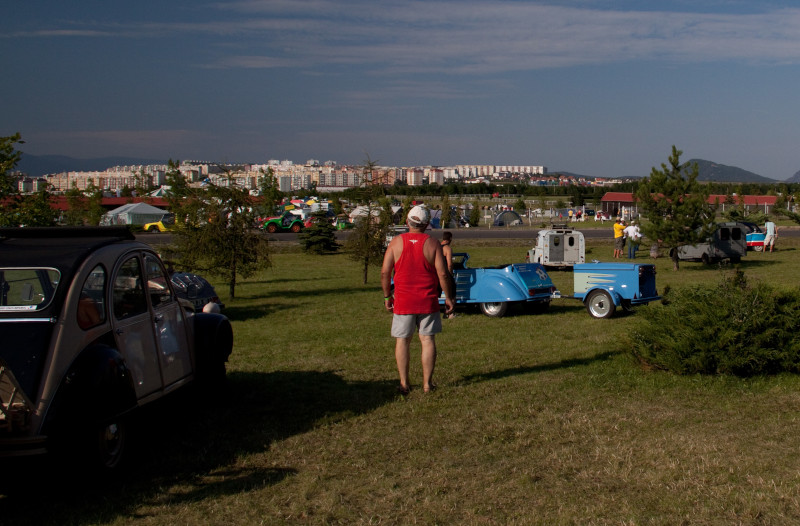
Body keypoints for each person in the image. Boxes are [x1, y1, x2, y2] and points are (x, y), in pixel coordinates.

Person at [381, 205, 455, 395]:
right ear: (427, 224)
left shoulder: (396, 242)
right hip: (427, 301)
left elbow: (384, 272)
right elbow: (443, 274)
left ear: (407, 222)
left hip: (403, 301)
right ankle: (427, 384)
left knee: (402, 341)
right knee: (427, 340)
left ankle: (404, 384)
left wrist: (387, 295)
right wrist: (448, 297)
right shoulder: (433, 244)